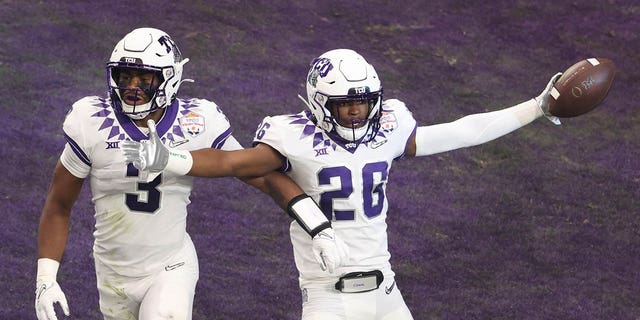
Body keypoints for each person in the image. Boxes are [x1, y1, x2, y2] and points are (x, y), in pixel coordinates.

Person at [121, 49, 563, 319]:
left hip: (385, 289)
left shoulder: (390, 126)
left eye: (362, 103)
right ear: (317, 101)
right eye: (344, 104)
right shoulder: (290, 136)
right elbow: (233, 162)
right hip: (327, 296)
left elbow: (463, 131)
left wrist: (535, 108)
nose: (355, 112)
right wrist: (171, 157)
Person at [35, 28, 345, 320]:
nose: (132, 88)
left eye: (144, 80)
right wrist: (46, 278)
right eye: (125, 77)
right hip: (112, 269)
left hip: (170, 264)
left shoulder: (197, 119)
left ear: (169, 79)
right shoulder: (91, 120)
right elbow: (59, 204)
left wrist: (317, 225)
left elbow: (256, 173)